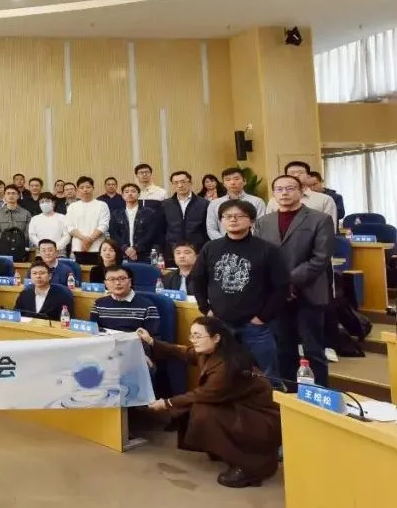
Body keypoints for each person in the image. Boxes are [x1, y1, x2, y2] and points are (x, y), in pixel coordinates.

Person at [137, 317, 281, 488]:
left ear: (216, 337)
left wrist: (166, 403)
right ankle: (225, 451)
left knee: (203, 413)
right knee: (200, 410)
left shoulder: (227, 366)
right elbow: (184, 352)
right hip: (240, 409)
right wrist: (152, 341)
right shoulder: (212, 352)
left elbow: (202, 395)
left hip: (259, 417)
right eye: (192, 336)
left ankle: (250, 467)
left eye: (198, 336)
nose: (193, 340)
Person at [193, 200, 288, 382]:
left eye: (239, 216)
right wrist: (206, 309)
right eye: (227, 216)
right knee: (222, 373)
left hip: (255, 325)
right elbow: (197, 280)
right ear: (221, 221)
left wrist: (262, 317)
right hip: (220, 323)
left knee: (268, 375)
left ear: (251, 221)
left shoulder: (267, 249)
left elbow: (281, 287)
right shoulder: (210, 248)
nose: (233, 220)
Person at [257, 175, 335, 388]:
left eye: (290, 188)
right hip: (277, 297)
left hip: (309, 292)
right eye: (279, 189)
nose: (284, 193)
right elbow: (260, 257)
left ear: (301, 191)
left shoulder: (320, 219)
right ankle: (291, 394)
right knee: (283, 348)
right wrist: (277, 285)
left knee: (313, 349)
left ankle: (320, 394)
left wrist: (287, 282)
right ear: (274, 193)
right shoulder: (264, 222)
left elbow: (321, 258)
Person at [89, 265, 159, 335]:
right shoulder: (99, 304)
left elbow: (153, 338)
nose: (117, 283)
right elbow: (92, 332)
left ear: (130, 282)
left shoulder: (147, 306)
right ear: (106, 284)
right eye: (112, 279)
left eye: (122, 279)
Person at [264, 161, 338, 227]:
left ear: (308, 177)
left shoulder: (325, 199)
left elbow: (330, 228)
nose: (296, 175)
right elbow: (267, 226)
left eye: (300, 173)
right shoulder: (274, 201)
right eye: (292, 173)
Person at [161, 171, 209, 266]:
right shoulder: (165, 204)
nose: (180, 185)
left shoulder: (204, 204)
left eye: (183, 182)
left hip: (197, 250)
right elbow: (162, 229)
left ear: (190, 182)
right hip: (172, 251)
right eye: (176, 183)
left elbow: (206, 229)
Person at [205, 167, 267, 240]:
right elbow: (211, 228)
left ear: (244, 181)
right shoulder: (214, 204)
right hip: (223, 244)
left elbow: (260, 227)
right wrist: (226, 242)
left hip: (250, 243)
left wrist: (248, 241)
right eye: (228, 180)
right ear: (223, 184)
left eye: (236, 179)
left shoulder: (257, 202)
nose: (232, 182)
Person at [109, 183, 160, 263]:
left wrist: (135, 248)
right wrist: (126, 249)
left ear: (139, 194)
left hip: (144, 253)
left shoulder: (149, 213)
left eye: (133, 191)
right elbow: (113, 234)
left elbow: (151, 234)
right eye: (126, 192)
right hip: (122, 254)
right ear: (122, 195)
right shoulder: (116, 213)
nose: (130, 194)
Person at [65, 177, 111, 265]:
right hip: (79, 247)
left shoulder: (102, 205)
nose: (85, 190)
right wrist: (84, 239)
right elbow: (70, 226)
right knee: (80, 272)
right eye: (82, 187)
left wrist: (89, 240)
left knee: (98, 272)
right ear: (78, 190)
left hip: (98, 247)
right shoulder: (72, 207)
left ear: (93, 188)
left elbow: (104, 225)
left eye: (88, 187)